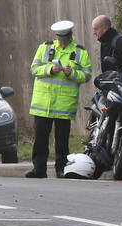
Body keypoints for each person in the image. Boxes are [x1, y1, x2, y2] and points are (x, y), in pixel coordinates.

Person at [26, 20, 92, 178]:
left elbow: (87, 74)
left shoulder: (80, 52)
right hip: (43, 104)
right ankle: (39, 169)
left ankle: (61, 169)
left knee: (62, 141)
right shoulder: (45, 47)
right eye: (60, 39)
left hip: (64, 104)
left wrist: (72, 74)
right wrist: (50, 69)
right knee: (40, 139)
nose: (62, 42)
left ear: (70, 36)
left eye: (65, 39)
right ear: (56, 36)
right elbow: (34, 68)